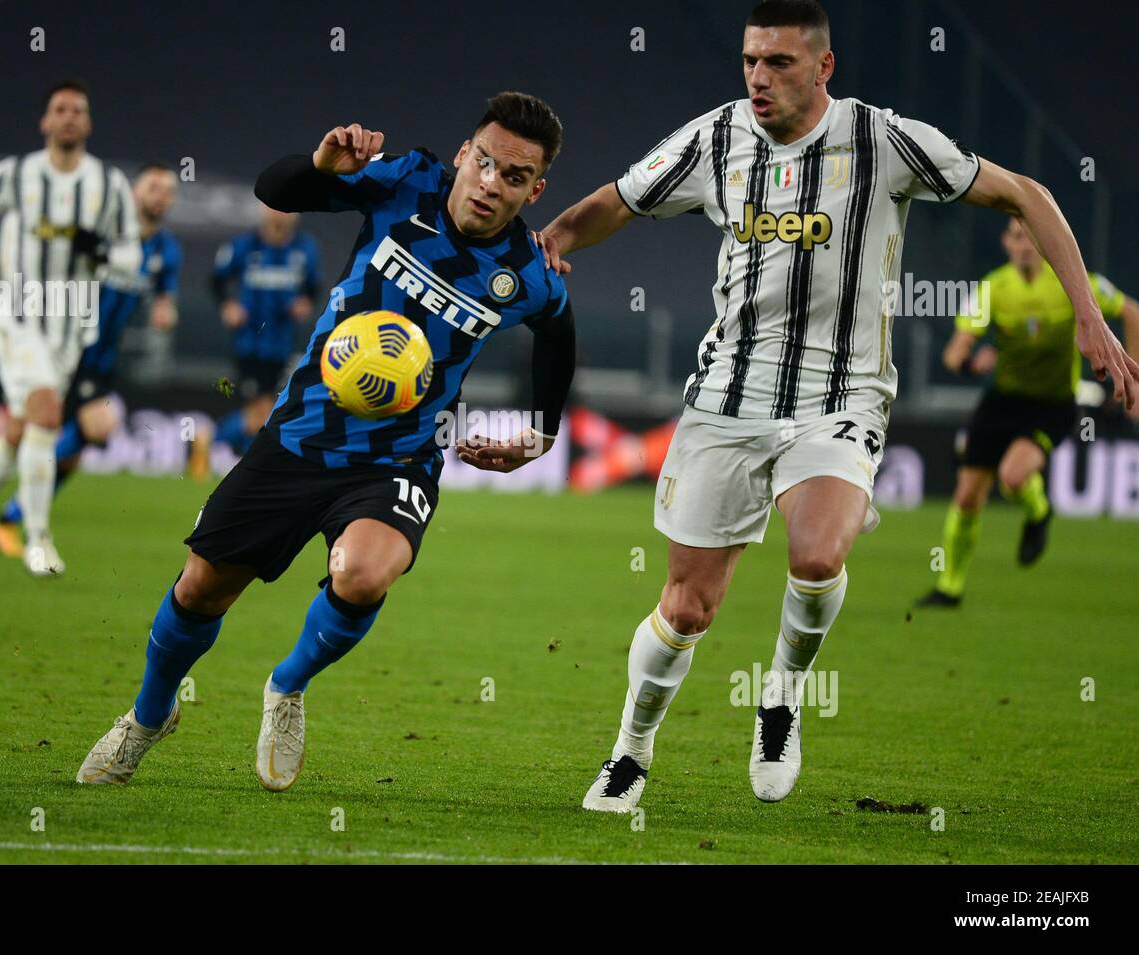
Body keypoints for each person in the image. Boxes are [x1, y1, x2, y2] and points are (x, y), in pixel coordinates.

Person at [534, 0, 1139, 811]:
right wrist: (554, 241)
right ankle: (631, 749)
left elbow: (1026, 193)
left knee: (818, 554)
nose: (758, 77)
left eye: (779, 62)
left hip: (843, 394)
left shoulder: (884, 139)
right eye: (751, 60)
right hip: (728, 395)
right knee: (687, 606)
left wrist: (1091, 319)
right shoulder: (715, 138)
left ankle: (780, 697)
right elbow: (616, 200)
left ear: (823, 68)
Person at [76, 92, 577, 793]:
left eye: (515, 177)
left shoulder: (525, 271)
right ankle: (149, 714)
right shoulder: (407, 183)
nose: (493, 184)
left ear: (536, 189)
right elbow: (276, 189)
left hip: (399, 456)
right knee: (200, 590)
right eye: (486, 162)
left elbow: (557, 331)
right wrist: (320, 167)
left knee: (364, 572)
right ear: (465, 154)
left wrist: (542, 430)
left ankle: (286, 686)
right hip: (301, 435)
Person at [0, 79, 140, 578]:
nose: (69, 116)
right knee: (47, 413)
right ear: (45, 122)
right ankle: (38, 538)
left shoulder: (109, 184)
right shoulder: (16, 173)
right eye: (60, 109)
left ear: (88, 124)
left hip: (70, 324)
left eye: (78, 110)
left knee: (19, 429)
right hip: (18, 314)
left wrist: (104, 254)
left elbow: (131, 255)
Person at [916, 217, 1138, 607]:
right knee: (967, 496)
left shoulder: (1076, 284)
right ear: (1005, 242)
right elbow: (953, 353)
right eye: (1016, 237)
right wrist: (971, 363)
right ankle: (949, 588)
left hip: (1051, 405)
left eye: (1030, 237)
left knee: (1013, 477)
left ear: (1043, 241)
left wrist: (1132, 376)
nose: (1023, 245)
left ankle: (1038, 511)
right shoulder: (993, 288)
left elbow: (1132, 312)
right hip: (1002, 401)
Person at [0, 164, 182, 558]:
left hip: (101, 361)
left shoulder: (167, 249)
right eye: (153, 187)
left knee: (71, 455)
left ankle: (4, 521)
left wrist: (165, 312)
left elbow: (165, 298)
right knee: (88, 427)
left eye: (168, 191)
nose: (160, 196)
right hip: (65, 350)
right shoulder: (102, 231)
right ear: (134, 191)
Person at [195, 207, 318, 473]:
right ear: (263, 210)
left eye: (288, 209)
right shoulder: (243, 246)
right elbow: (216, 280)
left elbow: (312, 287)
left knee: (267, 411)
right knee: (261, 412)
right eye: (276, 208)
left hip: (284, 343)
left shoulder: (304, 249)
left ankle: (237, 456)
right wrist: (228, 305)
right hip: (249, 343)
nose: (281, 214)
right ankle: (211, 439)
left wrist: (304, 302)